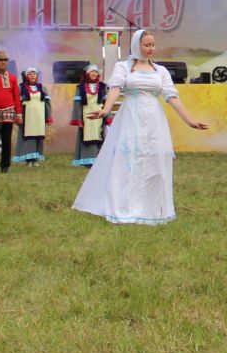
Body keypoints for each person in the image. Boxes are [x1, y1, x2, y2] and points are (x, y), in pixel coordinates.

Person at [72, 29, 210, 226]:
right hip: (131, 116)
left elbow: (172, 96)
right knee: (128, 158)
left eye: (153, 45)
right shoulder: (123, 67)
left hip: (154, 118)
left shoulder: (160, 71)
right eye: (147, 45)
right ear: (137, 45)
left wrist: (189, 121)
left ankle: (153, 208)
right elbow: (115, 89)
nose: (151, 48)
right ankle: (125, 206)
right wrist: (105, 110)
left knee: (156, 158)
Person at [70, 65, 107, 167]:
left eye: (96, 72)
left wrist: (107, 117)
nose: (94, 74)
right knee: (86, 136)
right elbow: (77, 104)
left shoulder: (103, 86)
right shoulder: (81, 87)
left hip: (99, 114)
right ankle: (87, 160)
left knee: (99, 136)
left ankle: (98, 159)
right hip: (86, 114)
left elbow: (106, 103)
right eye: (92, 72)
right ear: (87, 74)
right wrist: (78, 119)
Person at [15, 67, 50, 166]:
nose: (32, 76)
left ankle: (35, 159)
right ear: (26, 76)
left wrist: (48, 117)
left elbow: (47, 104)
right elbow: (17, 103)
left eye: (34, 74)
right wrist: (18, 115)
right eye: (30, 74)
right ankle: (28, 159)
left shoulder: (42, 88)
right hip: (27, 116)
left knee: (38, 137)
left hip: (39, 116)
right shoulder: (21, 88)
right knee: (28, 138)